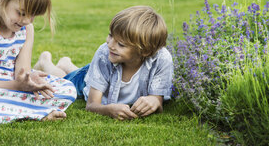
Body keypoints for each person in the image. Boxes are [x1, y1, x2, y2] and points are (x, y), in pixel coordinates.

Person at [34, 6, 173, 120]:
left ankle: (66, 64)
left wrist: (154, 101)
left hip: (99, 75)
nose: (110, 45)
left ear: (145, 52)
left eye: (121, 44)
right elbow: (92, 105)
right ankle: (45, 62)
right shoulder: (104, 53)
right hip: (88, 78)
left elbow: (157, 100)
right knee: (62, 81)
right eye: (111, 35)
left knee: (83, 72)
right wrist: (107, 110)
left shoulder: (161, 59)